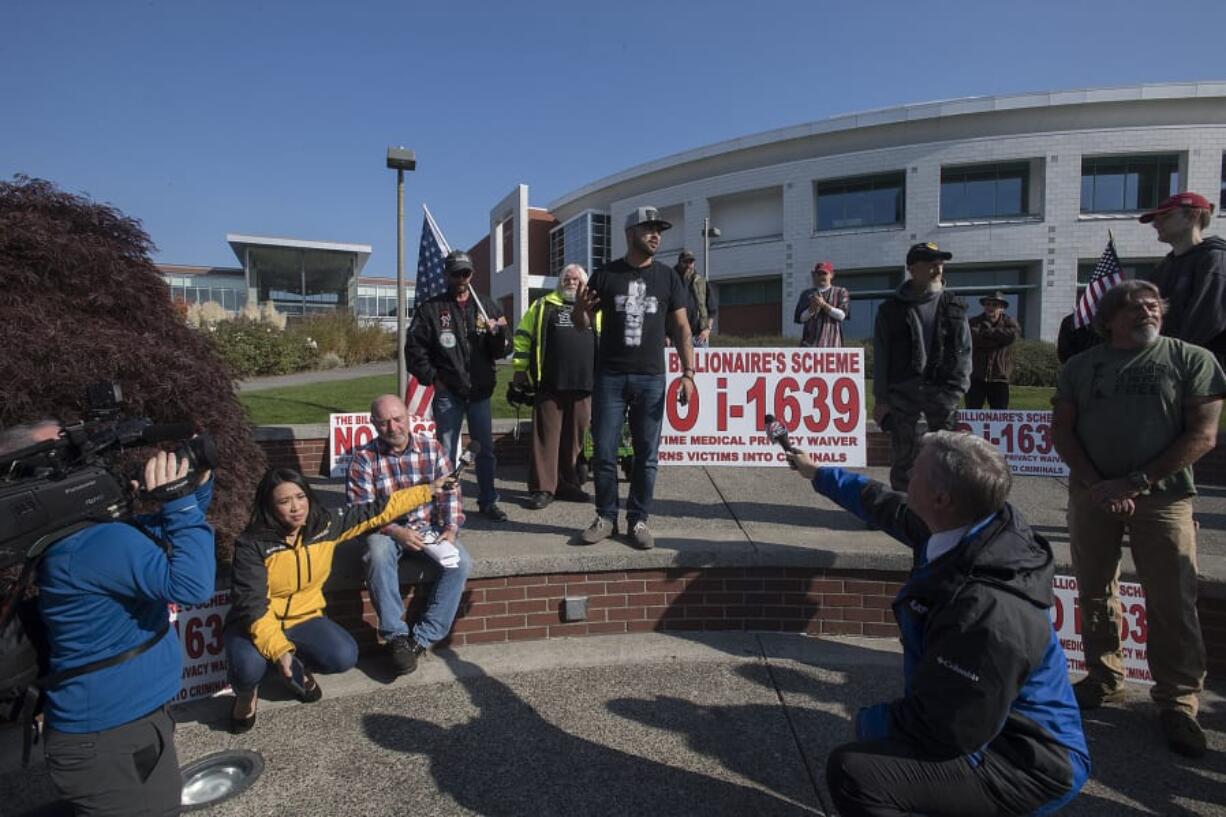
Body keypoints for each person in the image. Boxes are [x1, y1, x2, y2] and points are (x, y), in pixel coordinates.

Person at [788, 432, 1089, 816]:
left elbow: (951, 730)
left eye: (916, 470)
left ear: (940, 499)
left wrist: (870, 722)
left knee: (856, 772)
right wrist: (817, 473)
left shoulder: (986, 610)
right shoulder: (971, 527)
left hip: (1028, 760)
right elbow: (882, 504)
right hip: (986, 718)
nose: (907, 473)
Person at [0, 421, 217, 817]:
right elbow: (192, 584)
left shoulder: (84, 535)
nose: (84, 452)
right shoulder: (93, 543)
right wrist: (180, 504)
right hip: (112, 737)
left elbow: (164, 528)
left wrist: (193, 485)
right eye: (65, 448)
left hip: (120, 726)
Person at [1051, 279, 1226, 759]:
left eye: (1153, 305)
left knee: (1171, 599)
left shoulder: (1191, 359)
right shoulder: (1081, 367)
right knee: (1093, 588)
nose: (1147, 312)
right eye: (1133, 308)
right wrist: (1096, 485)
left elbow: (1204, 435)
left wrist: (1133, 483)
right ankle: (1105, 677)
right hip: (1092, 494)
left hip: (1164, 499)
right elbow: (1062, 430)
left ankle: (1177, 701)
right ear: (1108, 319)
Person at [225, 467, 443, 732]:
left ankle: (299, 667)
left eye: (300, 497)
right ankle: (247, 695)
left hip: (304, 618)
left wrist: (428, 490)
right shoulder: (252, 544)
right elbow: (253, 607)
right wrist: (281, 651)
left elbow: (378, 509)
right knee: (248, 669)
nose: (296, 507)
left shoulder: (325, 525)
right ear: (269, 507)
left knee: (343, 656)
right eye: (284, 501)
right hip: (255, 622)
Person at [573, 206, 696, 550]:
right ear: (630, 234)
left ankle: (638, 520)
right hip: (610, 377)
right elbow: (582, 322)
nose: (656, 235)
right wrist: (581, 309)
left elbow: (683, 328)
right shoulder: (605, 275)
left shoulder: (668, 277)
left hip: (652, 378)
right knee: (605, 453)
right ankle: (606, 517)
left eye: (659, 230)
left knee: (647, 456)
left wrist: (688, 373)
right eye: (648, 229)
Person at [347, 394, 472, 675]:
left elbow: (449, 492)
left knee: (461, 562)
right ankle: (396, 637)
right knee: (376, 553)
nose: (392, 427)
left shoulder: (432, 448)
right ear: (373, 424)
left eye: (397, 419)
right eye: (384, 422)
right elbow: (361, 512)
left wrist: (451, 528)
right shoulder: (364, 459)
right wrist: (396, 531)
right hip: (385, 530)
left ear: (408, 418)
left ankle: (421, 639)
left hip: (427, 528)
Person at [406, 249, 510, 522]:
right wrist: (434, 378)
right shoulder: (431, 309)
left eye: (465, 272)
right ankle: (446, 504)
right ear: (446, 274)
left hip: (480, 393)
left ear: (472, 274)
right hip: (448, 393)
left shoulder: (487, 306)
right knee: (446, 451)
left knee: (484, 450)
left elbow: (500, 351)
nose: (461, 278)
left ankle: (488, 501)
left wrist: (496, 334)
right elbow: (414, 350)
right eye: (455, 273)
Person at [871, 242, 971, 490]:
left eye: (940, 262)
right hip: (904, 390)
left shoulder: (954, 305)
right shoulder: (890, 309)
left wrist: (957, 390)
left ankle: (943, 507)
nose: (938, 268)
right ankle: (904, 508)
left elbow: (965, 351)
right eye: (931, 262)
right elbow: (882, 355)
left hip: (943, 390)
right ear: (912, 269)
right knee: (904, 453)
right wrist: (881, 399)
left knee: (946, 454)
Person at [512, 264, 597, 509]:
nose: (571, 282)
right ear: (560, 283)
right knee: (546, 439)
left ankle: (568, 484)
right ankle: (543, 489)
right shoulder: (542, 306)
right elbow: (522, 336)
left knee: (575, 439)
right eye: (567, 278)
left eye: (576, 279)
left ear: (584, 283)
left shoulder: (595, 307)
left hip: (584, 384)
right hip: (549, 383)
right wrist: (520, 368)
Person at [1140, 191, 1226, 369]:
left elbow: (1209, 319)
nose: (1156, 224)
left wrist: (1171, 359)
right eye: (1154, 219)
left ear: (1193, 216)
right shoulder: (1162, 268)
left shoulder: (1214, 259)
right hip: (1164, 366)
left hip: (1202, 371)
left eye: (1165, 216)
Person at [966, 290, 1020, 409]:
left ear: (1002, 308)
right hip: (976, 377)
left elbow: (1011, 337)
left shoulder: (1010, 323)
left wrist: (987, 333)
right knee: (972, 413)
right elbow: (974, 338)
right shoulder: (974, 322)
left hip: (999, 377)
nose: (990, 307)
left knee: (1000, 416)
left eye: (994, 305)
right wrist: (998, 339)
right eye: (988, 304)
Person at [793, 261, 850, 347]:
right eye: (818, 274)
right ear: (814, 275)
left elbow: (842, 316)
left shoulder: (840, 292)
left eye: (824, 273)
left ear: (831, 275)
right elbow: (800, 319)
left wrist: (824, 305)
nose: (821, 277)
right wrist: (811, 309)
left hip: (832, 346)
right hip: (809, 347)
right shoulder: (806, 294)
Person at [674, 249, 712, 347]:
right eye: (685, 262)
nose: (688, 265)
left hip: (699, 338)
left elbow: (712, 309)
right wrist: (666, 335)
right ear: (679, 263)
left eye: (691, 262)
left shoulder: (701, 282)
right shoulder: (671, 280)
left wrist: (707, 329)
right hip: (677, 337)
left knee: (702, 363)